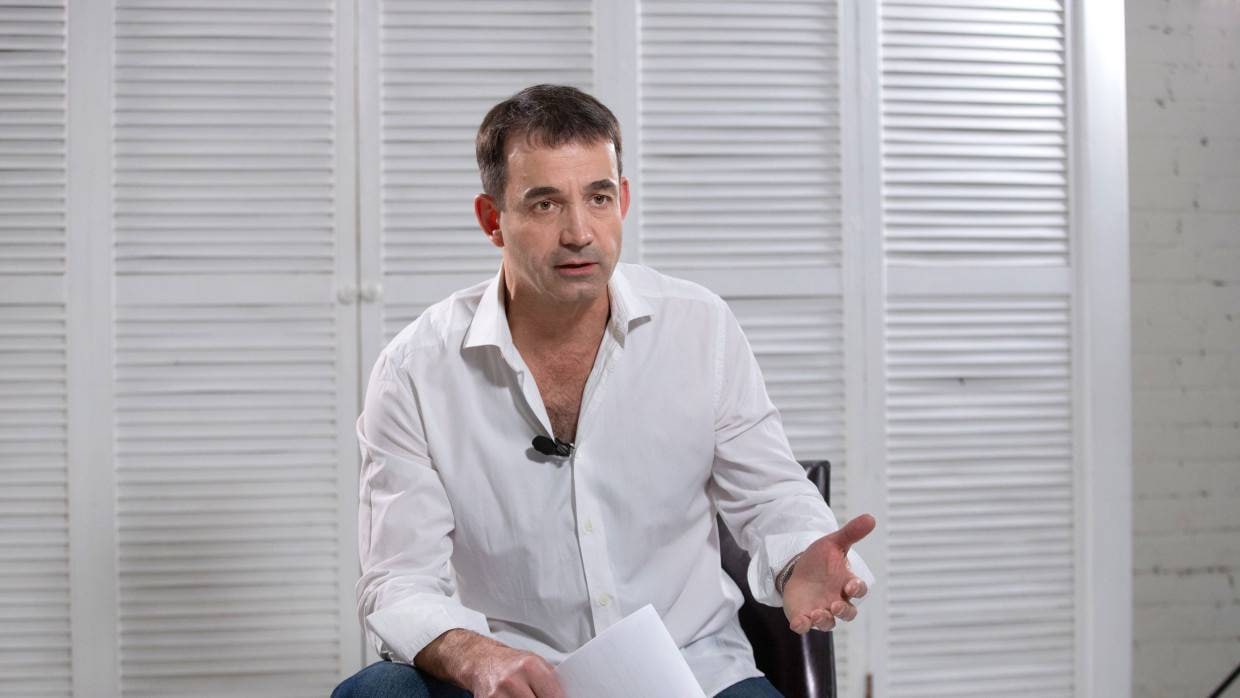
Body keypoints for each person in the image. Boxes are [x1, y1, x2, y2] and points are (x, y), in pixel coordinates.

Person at [333, 84, 876, 698]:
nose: (579, 232)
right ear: (492, 220)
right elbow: (398, 579)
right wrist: (474, 655)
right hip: (516, 679)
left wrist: (802, 554)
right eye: (544, 204)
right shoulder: (413, 369)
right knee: (377, 692)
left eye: (598, 198)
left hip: (694, 670)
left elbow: (772, 493)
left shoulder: (700, 325)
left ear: (623, 200)